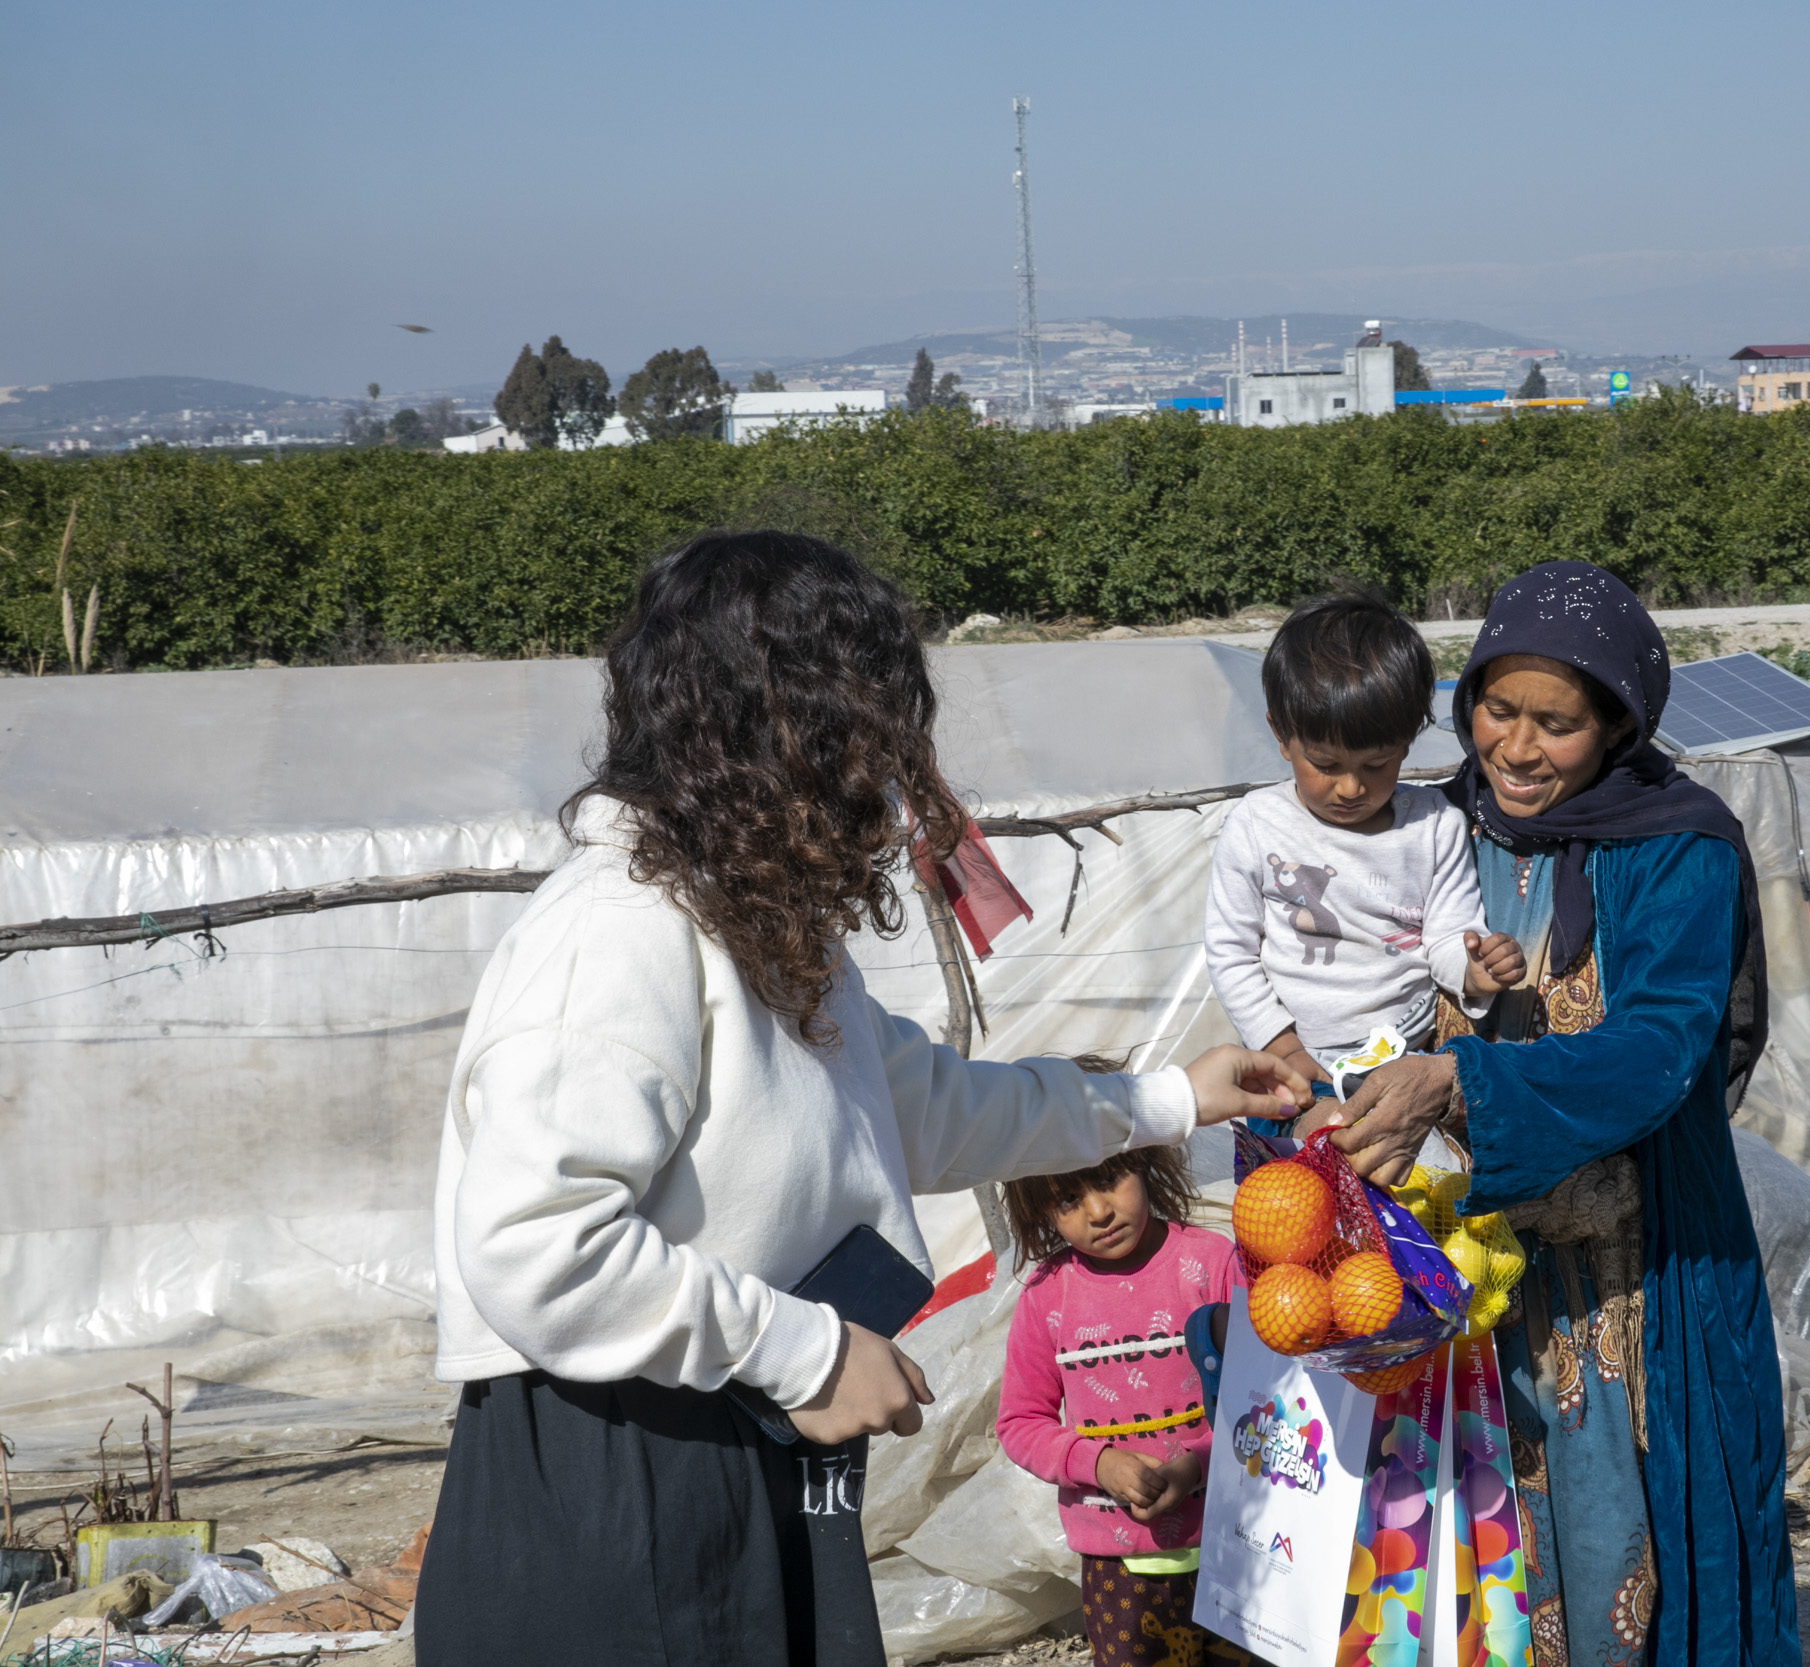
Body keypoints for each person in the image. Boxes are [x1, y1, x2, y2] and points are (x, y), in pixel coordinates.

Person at [418, 532, 1308, 1667]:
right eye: (864, 746)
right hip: (623, 1467)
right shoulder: (617, 931)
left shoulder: (752, 922)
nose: (888, 794)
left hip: (736, 1421)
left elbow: (921, 1107)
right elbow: (537, 1245)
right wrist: (808, 1354)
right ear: (769, 734)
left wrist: (1168, 1096)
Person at [1309, 562, 1797, 1666]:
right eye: (1496, 709)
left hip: (1635, 1275)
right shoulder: (1432, 829)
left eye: (1557, 724)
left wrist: (1465, 1083)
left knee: (1633, 1538)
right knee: (1461, 1571)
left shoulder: (1679, 846)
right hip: (1456, 1282)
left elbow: (1665, 1042)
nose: (1516, 749)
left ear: (1617, 722)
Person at [1203, 592, 1524, 1096]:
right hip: (1295, 1059)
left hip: (1409, 1053)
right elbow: (1231, 952)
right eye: (1326, 765)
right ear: (1281, 735)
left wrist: (1475, 970)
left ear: (1408, 741)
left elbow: (1446, 936)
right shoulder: (1256, 825)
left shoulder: (1436, 825)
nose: (1351, 788)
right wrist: (1280, 1043)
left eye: (1377, 765)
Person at [994, 1140, 1253, 1667]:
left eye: (1110, 1180)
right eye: (1067, 1199)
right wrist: (1100, 1463)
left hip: (1240, 1543)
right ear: (1043, 1212)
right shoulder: (1048, 1296)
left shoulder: (1212, 1265)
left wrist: (1197, 1467)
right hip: (1120, 1567)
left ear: (1145, 1162)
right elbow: (1021, 1422)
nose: (1099, 1211)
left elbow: (1265, 1401)